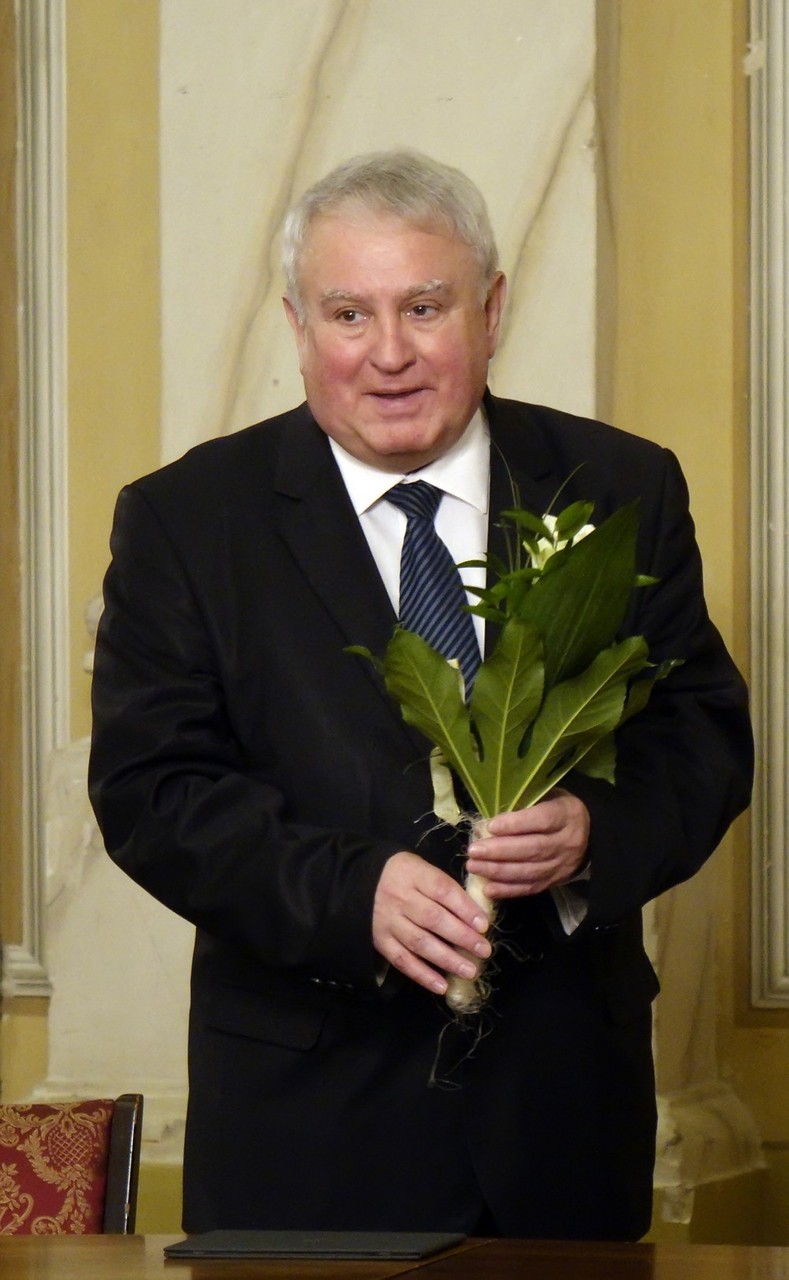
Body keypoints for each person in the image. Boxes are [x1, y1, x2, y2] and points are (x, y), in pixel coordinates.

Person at [88, 150, 753, 1241]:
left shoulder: (617, 484)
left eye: (424, 308)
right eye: (348, 313)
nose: (387, 352)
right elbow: (153, 790)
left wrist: (593, 832)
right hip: (308, 1135)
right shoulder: (189, 518)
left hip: (563, 1123)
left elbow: (701, 737)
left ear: (490, 311)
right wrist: (350, 893)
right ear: (298, 325)